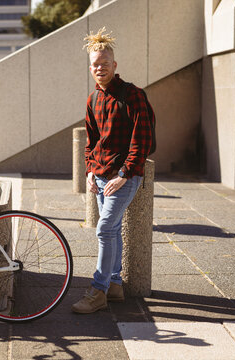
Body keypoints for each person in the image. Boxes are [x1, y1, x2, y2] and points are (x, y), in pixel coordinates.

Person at [71, 27, 153, 314]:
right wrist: (90, 171)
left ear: (114, 65)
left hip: (125, 177)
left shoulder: (133, 95)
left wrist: (124, 175)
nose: (99, 68)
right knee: (112, 229)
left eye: (104, 64)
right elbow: (92, 141)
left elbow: (141, 140)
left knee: (104, 229)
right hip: (102, 174)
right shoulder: (93, 100)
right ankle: (115, 284)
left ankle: (98, 291)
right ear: (90, 67)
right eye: (95, 64)